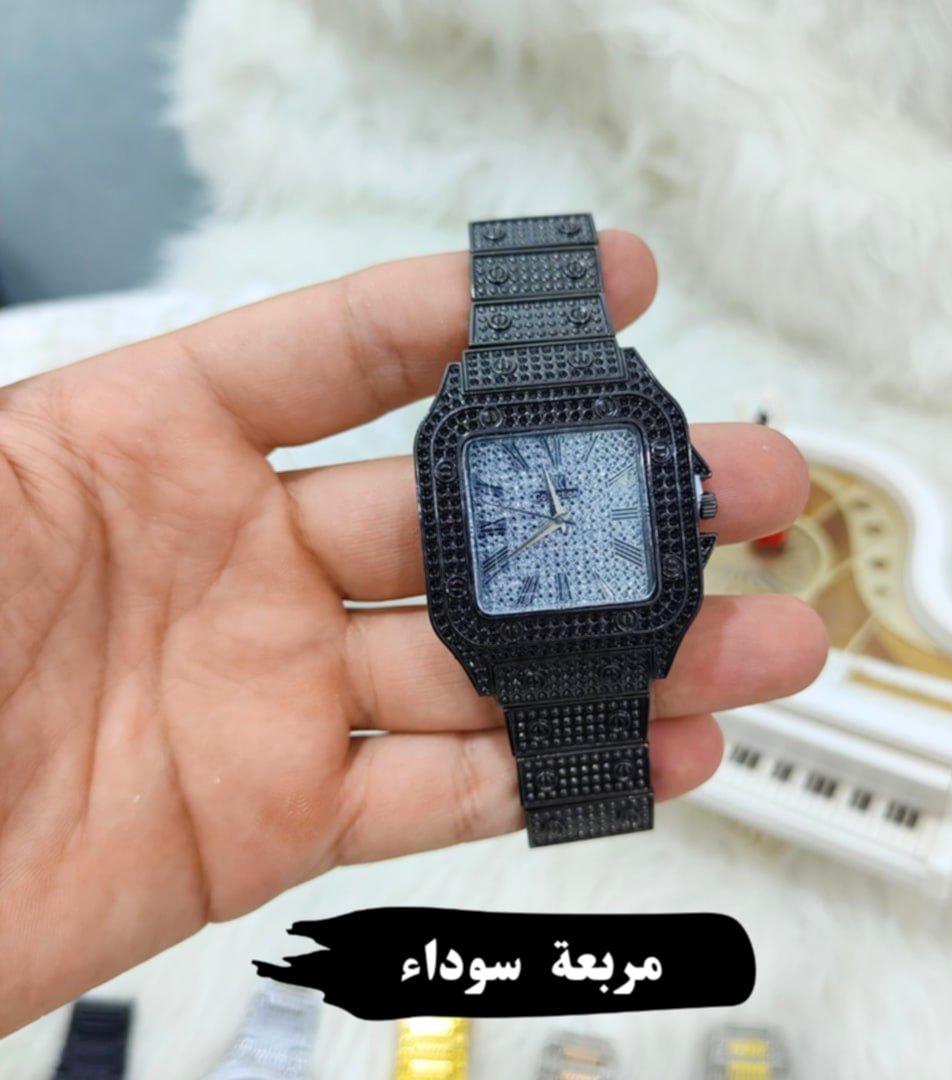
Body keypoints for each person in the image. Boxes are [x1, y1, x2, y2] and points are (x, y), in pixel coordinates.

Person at [0, 231, 827, 1035]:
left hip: (601, 633)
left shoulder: (607, 447)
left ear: (688, 504)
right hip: (548, 643)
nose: (561, 521)